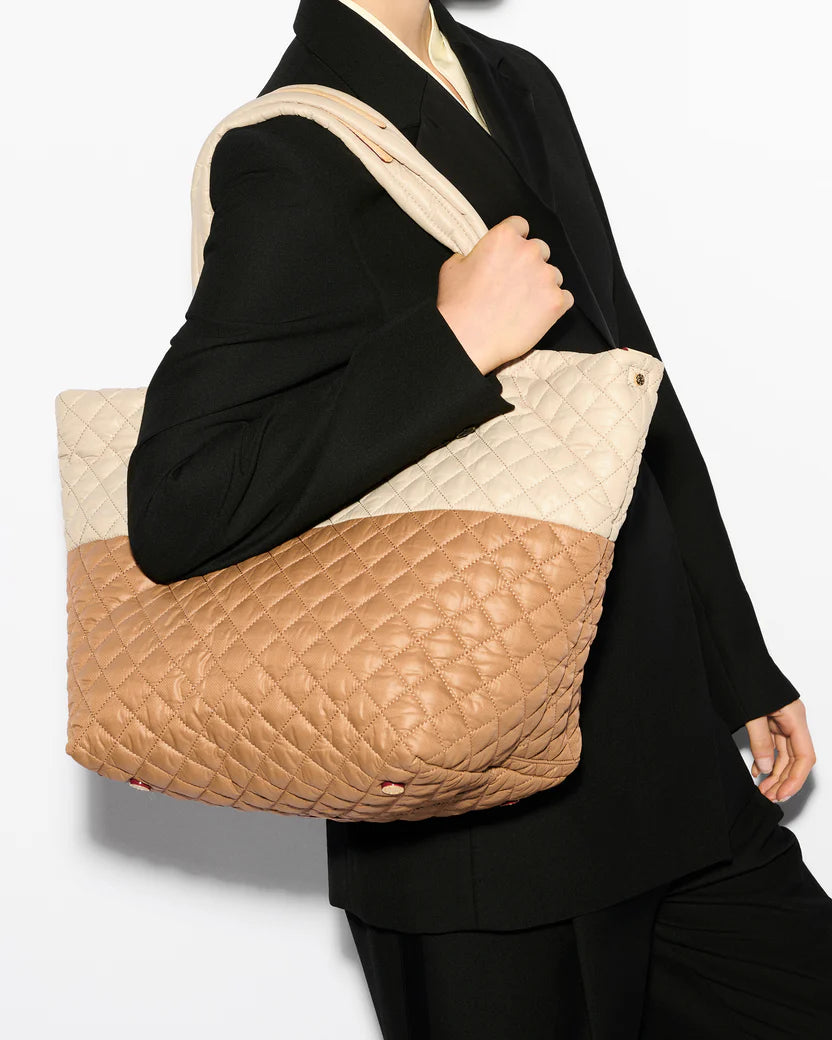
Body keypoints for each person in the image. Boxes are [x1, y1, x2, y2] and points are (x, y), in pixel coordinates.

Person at [125, 0, 832, 1036]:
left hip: (671, 763)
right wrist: (451, 341)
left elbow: (631, 375)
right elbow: (177, 502)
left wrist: (736, 661)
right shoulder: (292, 149)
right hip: (479, 840)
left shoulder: (517, 80)